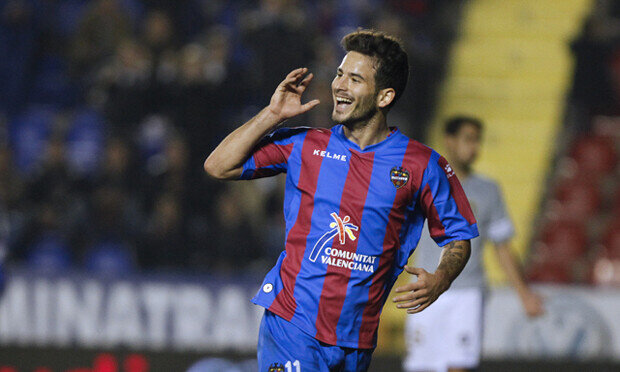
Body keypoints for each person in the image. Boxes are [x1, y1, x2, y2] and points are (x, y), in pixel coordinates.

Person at [204, 29, 479, 372]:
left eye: (354, 78)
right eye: (339, 74)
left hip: (356, 339)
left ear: (384, 96)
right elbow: (218, 165)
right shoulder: (305, 145)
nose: (339, 85)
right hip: (293, 321)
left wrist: (441, 279)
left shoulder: (422, 165)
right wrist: (273, 114)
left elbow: (459, 236)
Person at [402, 116, 545, 372]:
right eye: (468, 139)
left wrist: (524, 295)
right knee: (421, 366)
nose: (474, 147)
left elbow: (502, 247)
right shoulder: (422, 183)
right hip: (424, 288)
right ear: (449, 140)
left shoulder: (488, 190)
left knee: (459, 366)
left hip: (467, 292)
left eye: (477, 140)